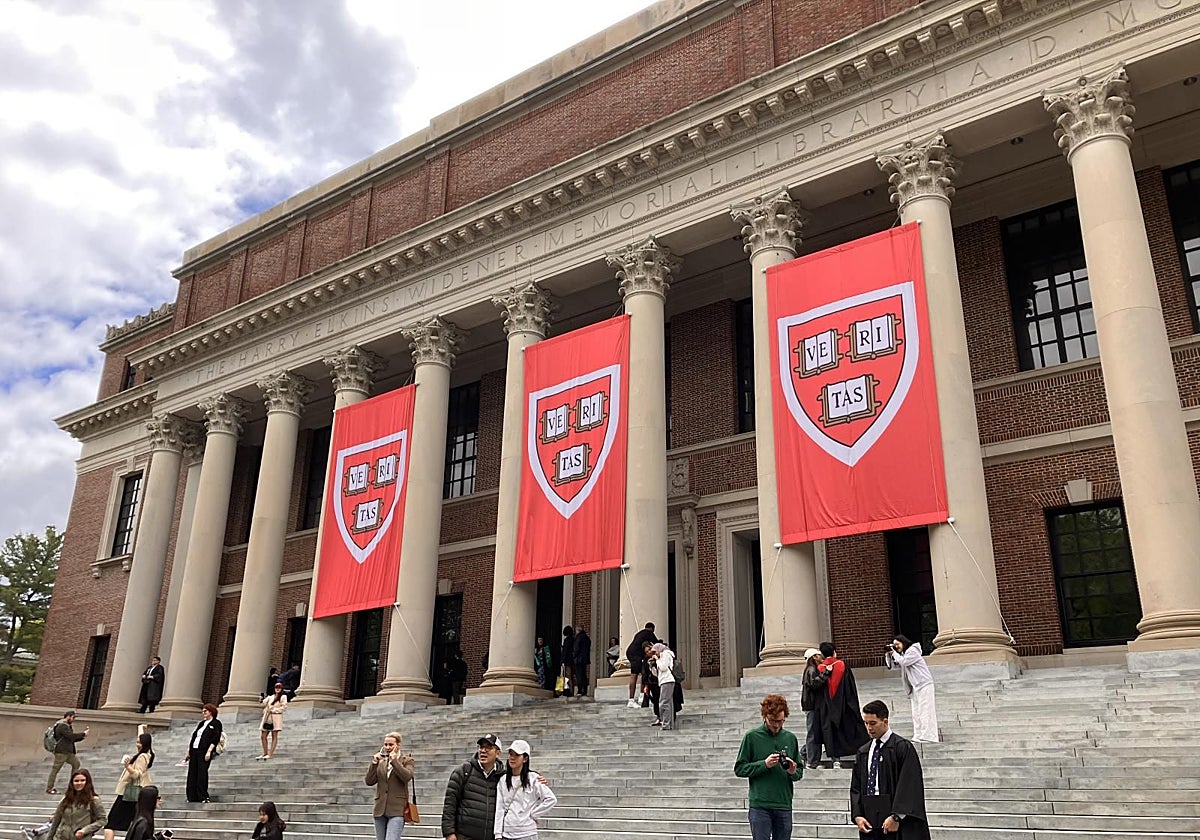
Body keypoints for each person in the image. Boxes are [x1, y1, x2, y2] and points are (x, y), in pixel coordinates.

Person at [849, 700, 931, 839]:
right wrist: (857, 815)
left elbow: (910, 784)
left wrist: (897, 816)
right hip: (869, 818)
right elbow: (856, 786)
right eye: (866, 723)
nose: (869, 728)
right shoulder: (864, 752)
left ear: (885, 721)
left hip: (894, 818)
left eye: (873, 723)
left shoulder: (902, 748)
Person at [734, 693, 802, 840]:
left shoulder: (790, 738)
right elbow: (739, 769)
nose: (777, 725)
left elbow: (799, 772)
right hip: (760, 805)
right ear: (764, 716)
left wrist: (793, 771)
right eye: (773, 721)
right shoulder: (752, 737)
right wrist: (764, 764)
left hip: (784, 804)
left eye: (781, 721)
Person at [441, 734, 505, 840]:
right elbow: (450, 804)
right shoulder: (463, 771)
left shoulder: (502, 777)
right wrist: (449, 832)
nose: (483, 751)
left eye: (488, 747)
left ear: (498, 753)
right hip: (464, 836)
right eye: (481, 747)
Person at [817, 642, 869, 767]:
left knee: (831, 732)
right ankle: (859, 755)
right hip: (844, 704)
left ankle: (836, 759)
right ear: (834, 651)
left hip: (827, 707)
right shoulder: (842, 665)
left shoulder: (820, 669)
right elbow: (850, 689)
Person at [494, 739, 556, 840]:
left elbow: (551, 799)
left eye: (517, 755)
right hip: (507, 833)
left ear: (525, 758)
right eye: (510, 754)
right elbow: (499, 808)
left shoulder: (533, 778)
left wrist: (533, 814)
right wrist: (497, 834)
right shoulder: (503, 780)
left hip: (527, 833)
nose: (512, 758)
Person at [885, 635, 939, 743]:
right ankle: (918, 735)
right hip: (914, 687)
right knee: (916, 712)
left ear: (904, 642)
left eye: (897, 644)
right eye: (894, 645)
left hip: (924, 684)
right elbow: (894, 666)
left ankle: (929, 736)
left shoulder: (913, 651)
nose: (896, 647)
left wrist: (894, 653)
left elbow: (904, 662)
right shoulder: (903, 655)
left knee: (925, 711)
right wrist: (889, 655)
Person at [103, 731, 154, 840]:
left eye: (139, 742)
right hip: (133, 794)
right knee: (132, 823)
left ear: (144, 743)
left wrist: (127, 766)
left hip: (130, 793)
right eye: (137, 742)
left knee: (111, 823)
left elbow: (137, 774)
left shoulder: (142, 757)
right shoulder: (145, 755)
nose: (137, 745)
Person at [365, 730, 414, 840]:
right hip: (380, 809)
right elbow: (369, 781)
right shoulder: (381, 762)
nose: (388, 747)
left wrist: (394, 761)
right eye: (386, 744)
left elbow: (407, 777)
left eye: (391, 744)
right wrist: (373, 764)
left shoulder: (407, 760)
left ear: (398, 745)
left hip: (397, 809)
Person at [44, 769, 105, 840]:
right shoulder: (65, 799)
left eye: (82, 780)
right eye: (76, 781)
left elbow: (102, 820)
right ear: (72, 783)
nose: (79, 783)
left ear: (87, 782)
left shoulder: (94, 800)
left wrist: (85, 830)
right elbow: (56, 821)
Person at [185, 704, 222, 803]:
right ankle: (192, 796)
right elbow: (194, 736)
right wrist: (189, 750)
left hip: (204, 751)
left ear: (211, 712)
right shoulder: (202, 723)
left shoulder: (216, 723)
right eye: (203, 711)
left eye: (205, 711)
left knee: (202, 772)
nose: (203, 713)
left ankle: (203, 796)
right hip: (195, 750)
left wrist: (209, 751)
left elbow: (215, 738)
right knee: (192, 772)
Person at [46, 710, 89, 795]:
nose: (74, 719)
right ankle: (49, 788)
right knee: (55, 769)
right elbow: (70, 736)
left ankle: (73, 786)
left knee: (76, 764)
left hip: (68, 752)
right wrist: (83, 734)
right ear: (68, 716)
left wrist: (83, 737)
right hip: (61, 752)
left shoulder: (67, 726)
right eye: (73, 717)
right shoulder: (62, 725)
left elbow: (71, 739)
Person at [801, 648, 829, 769]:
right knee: (813, 733)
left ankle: (806, 754)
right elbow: (814, 684)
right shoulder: (811, 670)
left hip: (812, 705)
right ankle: (811, 762)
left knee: (815, 732)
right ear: (813, 657)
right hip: (812, 706)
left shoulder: (811, 669)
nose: (821, 657)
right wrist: (826, 673)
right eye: (818, 655)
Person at [625, 622, 658, 708]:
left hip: (630, 652)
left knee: (643, 672)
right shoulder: (649, 633)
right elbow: (657, 644)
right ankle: (632, 700)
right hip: (636, 655)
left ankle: (641, 696)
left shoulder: (639, 633)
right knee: (635, 675)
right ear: (652, 629)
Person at [647, 642, 678, 731]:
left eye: (655, 652)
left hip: (667, 680)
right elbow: (657, 674)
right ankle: (669, 724)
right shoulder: (661, 657)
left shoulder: (665, 654)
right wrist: (651, 666)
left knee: (663, 703)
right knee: (668, 703)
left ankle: (666, 724)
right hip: (664, 680)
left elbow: (664, 667)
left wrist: (657, 659)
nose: (654, 654)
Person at [258, 683, 287, 760]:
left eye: (279, 687)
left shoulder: (283, 697)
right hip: (267, 718)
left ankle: (270, 753)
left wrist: (274, 710)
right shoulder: (270, 697)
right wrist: (261, 699)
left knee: (274, 735)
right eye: (276, 687)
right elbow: (263, 704)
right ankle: (265, 752)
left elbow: (283, 707)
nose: (277, 689)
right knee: (263, 736)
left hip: (276, 718)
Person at [572, 625, 591, 698]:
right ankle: (585, 690)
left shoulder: (578, 638)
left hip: (578, 659)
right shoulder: (587, 638)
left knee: (579, 675)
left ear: (578, 630)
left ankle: (580, 690)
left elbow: (576, 649)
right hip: (585, 659)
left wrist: (573, 656)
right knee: (584, 675)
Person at [558, 626, 575, 698]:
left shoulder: (566, 640)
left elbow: (565, 651)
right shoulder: (574, 640)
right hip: (572, 661)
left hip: (566, 661)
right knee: (570, 676)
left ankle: (560, 691)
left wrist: (562, 661)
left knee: (564, 676)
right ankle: (570, 690)